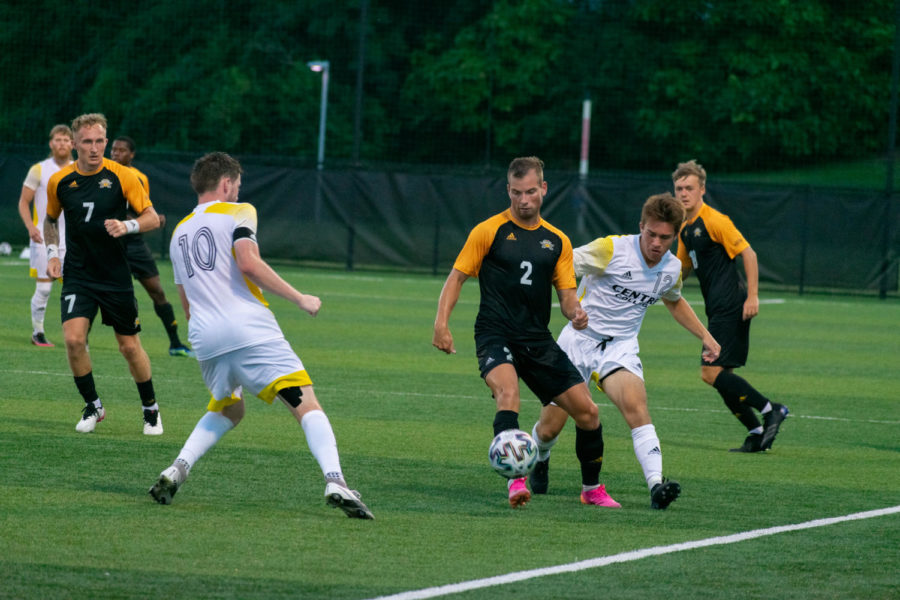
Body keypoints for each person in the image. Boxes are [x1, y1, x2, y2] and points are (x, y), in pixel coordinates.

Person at [148, 152, 373, 520]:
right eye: (236, 186)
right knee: (306, 405)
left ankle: (177, 469)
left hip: (204, 336)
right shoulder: (239, 211)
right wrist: (300, 298)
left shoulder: (178, 232)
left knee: (229, 408)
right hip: (248, 328)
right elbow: (248, 261)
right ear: (226, 184)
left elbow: (186, 302)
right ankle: (336, 480)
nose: (238, 192)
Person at [433, 156, 617, 509]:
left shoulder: (557, 241)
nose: (524, 200)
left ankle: (592, 490)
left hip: (537, 340)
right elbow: (456, 278)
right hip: (495, 333)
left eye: (531, 191)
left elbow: (565, 298)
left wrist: (576, 313)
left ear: (543, 189)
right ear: (508, 191)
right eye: (516, 193)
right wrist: (441, 325)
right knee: (509, 396)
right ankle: (516, 480)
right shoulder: (488, 231)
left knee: (589, 413)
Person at [529, 193, 721, 510]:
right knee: (550, 427)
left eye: (666, 237)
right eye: (652, 234)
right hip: (577, 342)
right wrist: (572, 306)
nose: (657, 243)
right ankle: (542, 454)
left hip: (620, 348)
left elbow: (673, 299)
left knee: (636, 408)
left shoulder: (671, 268)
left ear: (676, 236)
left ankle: (656, 485)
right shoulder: (611, 249)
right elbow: (560, 265)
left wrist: (706, 336)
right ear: (641, 226)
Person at [44, 113, 164, 435]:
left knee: (128, 346)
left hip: (114, 276)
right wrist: (53, 254)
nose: (94, 148)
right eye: (87, 142)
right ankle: (93, 406)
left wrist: (126, 225)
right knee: (72, 340)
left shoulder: (124, 176)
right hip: (78, 274)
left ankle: (150, 409)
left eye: (99, 141)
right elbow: (51, 220)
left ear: (106, 142)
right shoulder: (60, 182)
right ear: (74, 144)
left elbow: (153, 217)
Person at [672, 159, 788, 452]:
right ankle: (756, 433)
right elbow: (681, 270)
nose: (683, 193)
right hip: (717, 310)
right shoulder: (685, 228)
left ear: (702, 190)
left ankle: (770, 409)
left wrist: (752, 296)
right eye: (679, 188)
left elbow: (748, 254)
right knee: (723, 378)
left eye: (689, 188)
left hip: (731, 306)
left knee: (709, 372)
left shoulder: (715, 220)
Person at [110, 135, 194, 357]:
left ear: (131, 154)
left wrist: (155, 218)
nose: (116, 154)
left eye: (121, 150)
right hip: (111, 242)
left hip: (135, 244)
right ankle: (82, 341)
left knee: (157, 292)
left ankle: (175, 343)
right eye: (114, 150)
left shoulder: (139, 177)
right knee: (100, 291)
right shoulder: (103, 174)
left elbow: (143, 208)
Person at [16, 124, 74, 347]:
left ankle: (76, 335)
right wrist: (31, 227)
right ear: (51, 143)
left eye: (66, 140)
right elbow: (23, 201)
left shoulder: (79, 169)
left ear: (73, 144)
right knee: (44, 287)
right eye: (58, 140)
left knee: (75, 287)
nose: (62, 144)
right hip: (43, 237)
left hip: (71, 240)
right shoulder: (39, 169)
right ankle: (37, 332)